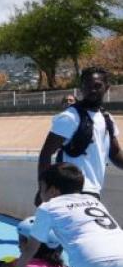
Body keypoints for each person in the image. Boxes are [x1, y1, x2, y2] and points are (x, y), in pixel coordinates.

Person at [37, 67, 123, 202]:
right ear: (81, 88)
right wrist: (43, 190)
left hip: (93, 192)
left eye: (97, 86)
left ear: (107, 88)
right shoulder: (69, 117)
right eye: (87, 86)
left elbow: (115, 153)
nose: (92, 90)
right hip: (68, 192)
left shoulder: (107, 119)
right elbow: (46, 154)